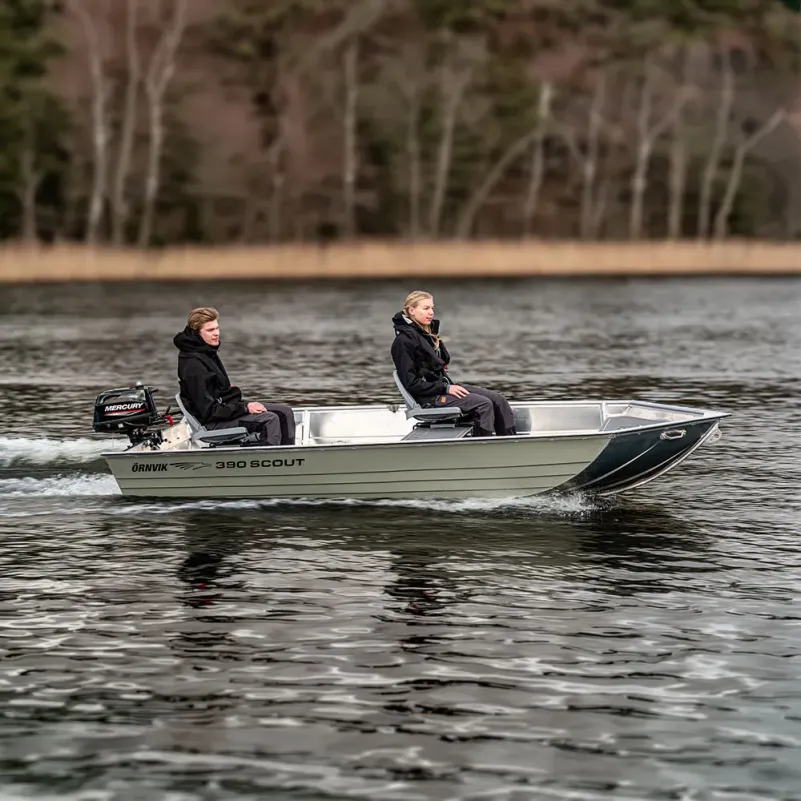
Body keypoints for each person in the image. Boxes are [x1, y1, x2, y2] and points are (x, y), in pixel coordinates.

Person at [390, 290, 517, 438]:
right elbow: (411, 384)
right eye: (426, 308)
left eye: (432, 308)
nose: (431, 312)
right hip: (429, 399)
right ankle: (482, 450)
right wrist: (446, 388)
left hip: (442, 389)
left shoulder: (426, 336)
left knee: (498, 400)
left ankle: (510, 443)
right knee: (483, 404)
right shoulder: (403, 342)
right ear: (411, 310)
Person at [173, 307, 295, 446]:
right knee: (269, 420)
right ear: (197, 333)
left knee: (285, 413)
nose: (216, 333)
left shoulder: (206, 351)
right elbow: (209, 411)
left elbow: (220, 394)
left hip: (225, 411)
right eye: (210, 330)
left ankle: (293, 458)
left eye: (217, 328)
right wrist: (245, 408)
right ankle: (272, 462)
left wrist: (241, 403)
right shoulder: (193, 365)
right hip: (213, 422)